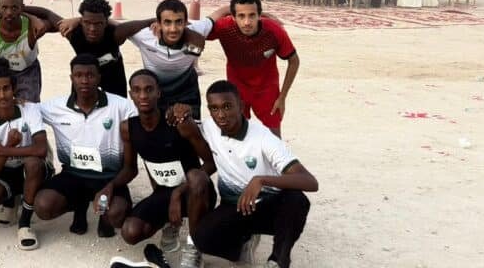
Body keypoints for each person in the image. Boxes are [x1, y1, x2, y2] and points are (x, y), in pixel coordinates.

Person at [191, 80, 318, 268]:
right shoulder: (210, 127)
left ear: (241, 106)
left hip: (268, 206)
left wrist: (261, 180)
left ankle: (278, 259)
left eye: (227, 106)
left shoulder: (264, 137)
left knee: (296, 200)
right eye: (214, 108)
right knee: (202, 238)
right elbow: (188, 127)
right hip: (234, 206)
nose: (221, 115)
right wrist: (180, 112)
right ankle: (242, 242)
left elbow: (310, 181)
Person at [119, 70, 216, 268]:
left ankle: (194, 247)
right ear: (131, 95)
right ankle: (169, 224)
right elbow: (130, 168)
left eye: (149, 89)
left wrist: (178, 193)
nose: (143, 95)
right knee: (130, 232)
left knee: (196, 177)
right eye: (137, 90)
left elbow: (210, 163)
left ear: (159, 92)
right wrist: (109, 187)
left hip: (197, 192)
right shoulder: (128, 128)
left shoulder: (179, 123)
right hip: (163, 192)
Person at [34, 54, 137, 238]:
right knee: (43, 206)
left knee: (116, 215)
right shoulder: (55, 107)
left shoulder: (122, 107)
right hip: (73, 175)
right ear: (71, 78)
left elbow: (148, 117)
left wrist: (111, 186)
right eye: (78, 75)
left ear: (99, 77)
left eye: (90, 75)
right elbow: (26, 111)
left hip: (109, 177)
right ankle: (79, 207)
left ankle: (104, 216)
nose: (84, 80)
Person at [0, 58, 50, 250]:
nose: (2, 95)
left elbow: (41, 149)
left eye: (6, 88)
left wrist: (4, 149)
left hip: (32, 170)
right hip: (5, 172)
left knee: (32, 163)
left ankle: (25, 223)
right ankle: (11, 200)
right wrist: (8, 146)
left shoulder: (29, 109)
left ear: (14, 88)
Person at [207, 0, 298, 137]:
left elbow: (294, 61)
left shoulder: (274, 31)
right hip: (237, 87)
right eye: (241, 16)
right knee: (235, 133)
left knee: (274, 136)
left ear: (259, 15)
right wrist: (224, 9)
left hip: (266, 88)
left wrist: (282, 97)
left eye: (252, 15)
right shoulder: (224, 27)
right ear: (233, 16)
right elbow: (197, 29)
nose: (247, 22)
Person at [26, 0, 154, 98]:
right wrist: (20, 9)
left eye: (98, 24)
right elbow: (47, 13)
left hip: (113, 80)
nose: (92, 29)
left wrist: (157, 24)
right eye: (87, 23)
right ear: (81, 21)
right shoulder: (73, 32)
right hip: (83, 79)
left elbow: (150, 21)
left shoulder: (116, 33)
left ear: (106, 22)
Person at [125, 0, 221, 116]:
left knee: (189, 125)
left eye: (179, 22)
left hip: (187, 93)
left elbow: (219, 13)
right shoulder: (146, 36)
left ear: (186, 22)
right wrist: (148, 22)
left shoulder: (197, 29)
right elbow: (117, 29)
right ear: (159, 23)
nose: (173, 29)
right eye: (167, 22)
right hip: (155, 93)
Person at [0, 0, 50, 102]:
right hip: (3, 69)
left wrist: (29, 15)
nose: (9, 12)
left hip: (28, 71)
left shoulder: (32, 27)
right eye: (4, 7)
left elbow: (56, 21)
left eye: (14, 7)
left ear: (22, 8)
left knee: (29, 108)